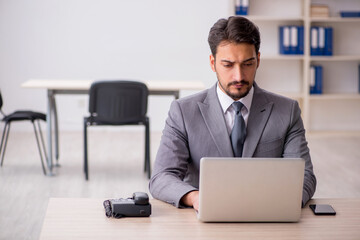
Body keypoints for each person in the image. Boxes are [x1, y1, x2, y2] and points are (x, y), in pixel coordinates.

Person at [149, 16, 316, 211]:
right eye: (228, 65)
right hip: (205, 219)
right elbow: (162, 177)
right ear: (213, 63)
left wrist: (282, 201)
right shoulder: (183, 112)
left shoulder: (287, 111)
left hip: (268, 216)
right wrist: (195, 197)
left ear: (258, 60)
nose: (239, 76)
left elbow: (305, 176)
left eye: (247, 64)